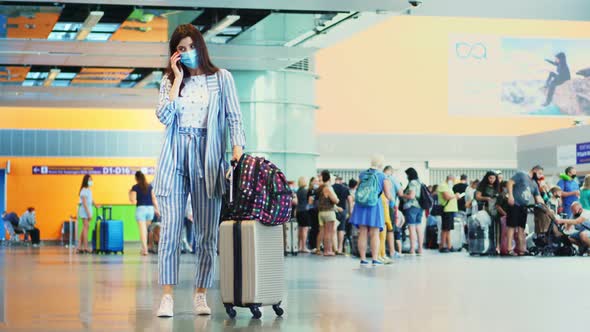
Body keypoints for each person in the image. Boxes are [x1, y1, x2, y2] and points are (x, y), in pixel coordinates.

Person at [153, 24, 245, 318]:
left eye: (192, 46)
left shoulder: (221, 78)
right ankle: (167, 296)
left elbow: (234, 116)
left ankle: (200, 294)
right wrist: (177, 79)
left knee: (206, 235)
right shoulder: (168, 81)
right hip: (175, 154)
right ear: (174, 54)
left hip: (208, 156)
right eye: (181, 48)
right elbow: (164, 117)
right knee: (170, 231)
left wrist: (236, 152)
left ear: (201, 47)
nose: (188, 52)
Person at [349, 155, 394, 266]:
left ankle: (363, 259)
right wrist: (393, 200)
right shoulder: (382, 176)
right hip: (375, 205)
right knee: (375, 233)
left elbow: (358, 190)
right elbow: (388, 195)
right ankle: (374, 259)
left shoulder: (362, 174)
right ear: (381, 164)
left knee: (362, 232)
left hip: (361, 205)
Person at [506, 167, 544, 256]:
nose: (540, 175)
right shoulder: (521, 175)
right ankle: (509, 249)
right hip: (515, 204)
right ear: (534, 171)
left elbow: (538, 197)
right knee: (511, 227)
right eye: (539, 173)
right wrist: (510, 196)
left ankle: (522, 249)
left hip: (524, 207)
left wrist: (546, 207)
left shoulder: (534, 183)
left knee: (521, 229)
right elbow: (510, 183)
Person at [129, 171, 161, 256]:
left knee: (142, 231)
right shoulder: (149, 186)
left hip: (141, 209)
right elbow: (154, 199)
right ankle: (146, 247)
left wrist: (130, 194)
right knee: (147, 230)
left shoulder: (135, 187)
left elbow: (133, 200)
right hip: (150, 210)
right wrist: (157, 210)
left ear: (136, 178)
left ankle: (145, 249)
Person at [400, 167, 424, 255]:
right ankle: (420, 249)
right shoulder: (419, 182)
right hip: (419, 207)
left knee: (411, 228)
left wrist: (402, 195)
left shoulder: (412, 183)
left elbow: (411, 196)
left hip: (411, 206)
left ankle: (412, 249)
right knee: (418, 227)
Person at [476, 171, 501, 254]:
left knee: (498, 228)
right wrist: (486, 198)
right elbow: (478, 197)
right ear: (487, 178)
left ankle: (497, 247)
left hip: (497, 209)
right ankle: (489, 247)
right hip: (486, 209)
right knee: (489, 228)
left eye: (493, 178)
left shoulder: (498, 186)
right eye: (490, 178)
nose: (492, 180)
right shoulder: (482, 185)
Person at [317, 170, 341, 256]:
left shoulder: (320, 187)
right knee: (329, 232)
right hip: (329, 212)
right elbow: (335, 200)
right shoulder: (328, 188)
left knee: (323, 231)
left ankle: (322, 249)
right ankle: (328, 250)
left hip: (321, 212)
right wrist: (337, 199)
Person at [383, 165, 404, 258]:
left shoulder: (379, 177)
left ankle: (381, 252)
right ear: (391, 171)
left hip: (378, 206)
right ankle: (392, 251)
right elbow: (400, 193)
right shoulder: (392, 179)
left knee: (379, 229)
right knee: (390, 229)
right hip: (389, 206)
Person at [437, 175, 459, 253]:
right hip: (446, 210)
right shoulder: (443, 186)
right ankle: (442, 246)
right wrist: (455, 196)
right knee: (445, 229)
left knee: (448, 229)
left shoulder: (448, 187)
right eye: (453, 180)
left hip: (451, 210)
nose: (453, 182)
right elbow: (446, 197)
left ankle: (449, 246)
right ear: (449, 179)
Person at [77, 175, 98, 254]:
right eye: (89, 180)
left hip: (88, 210)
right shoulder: (83, 190)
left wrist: (96, 205)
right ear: (86, 181)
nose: (91, 181)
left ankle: (79, 247)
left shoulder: (89, 190)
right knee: (86, 228)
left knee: (84, 228)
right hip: (84, 211)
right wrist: (89, 213)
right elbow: (85, 203)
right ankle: (86, 247)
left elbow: (91, 199)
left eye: (91, 179)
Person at [333, 176, 353, 255]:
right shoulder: (345, 189)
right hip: (343, 211)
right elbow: (350, 200)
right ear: (341, 181)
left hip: (334, 210)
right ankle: (340, 248)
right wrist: (350, 212)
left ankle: (334, 248)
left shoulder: (331, 188)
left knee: (333, 229)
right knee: (341, 229)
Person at [295, 177, 311, 253]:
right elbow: (310, 202)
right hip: (304, 211)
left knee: (300, 229)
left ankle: (299, 246)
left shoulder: (298, 191)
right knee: (305, 229)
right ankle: (304, 247)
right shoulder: (306, 191)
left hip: (298, 211)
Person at [307, 177, 320, 253]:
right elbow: (310, 201)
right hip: (312, 211)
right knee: (314, 228)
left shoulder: (317, 190)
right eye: (315, 181)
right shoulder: (311, 191)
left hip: (317, 210)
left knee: (317, 228)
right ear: (311, 182)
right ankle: (313, 245)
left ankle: (316, 245)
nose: (316, 182)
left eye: (317, 181)